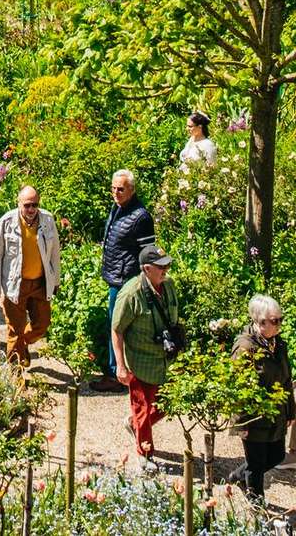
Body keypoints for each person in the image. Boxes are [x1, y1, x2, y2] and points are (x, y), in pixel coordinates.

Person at [111, 244, 184, 467]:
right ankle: (145, 456)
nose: (165, 269)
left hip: (166, 360)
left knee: (170, 403)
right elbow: (117, 329)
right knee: (142, 409)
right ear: (146, 269)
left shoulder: (169, 286)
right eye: (160, 266)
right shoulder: (131, 293)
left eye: (167, 265)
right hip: (140, 362)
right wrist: (120, 366)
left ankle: (135, 425)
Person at [89, 169, 154, 392]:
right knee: (115, 325)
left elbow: (148, 252)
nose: (116, 193)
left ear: (132, 190)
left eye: (121, 189)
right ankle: (119, 372)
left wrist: (144, 281)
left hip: (127, 280)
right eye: (113, 188)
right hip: (115, 276)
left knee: (118, 326)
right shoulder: (118, 208)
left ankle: (117, 374)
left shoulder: (141, 216)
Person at [0, 185, 60, 365]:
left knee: (42, 324)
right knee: (14, 331)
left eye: (35, 205)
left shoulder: (47, 220)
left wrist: (55, 280)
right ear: (19, 203)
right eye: (27, 205)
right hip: (14, 284)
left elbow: (54, 253)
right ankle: (15, 374)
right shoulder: (6, 222)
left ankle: (23, 343)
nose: (31, 209)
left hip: (39, 283)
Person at [232, 294, 296, 498]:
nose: (279, 325)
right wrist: (244, 424)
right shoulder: (245, 348)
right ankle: (257, 507)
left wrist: (290, 411)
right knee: (256, 464)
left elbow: (287, 379)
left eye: (280, 319)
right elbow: (238, 390)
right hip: (255, 416)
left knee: (276, 456)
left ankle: (238, 476)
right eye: (274, 321)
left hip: (275, 413)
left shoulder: (278, 344)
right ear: (259, 322)